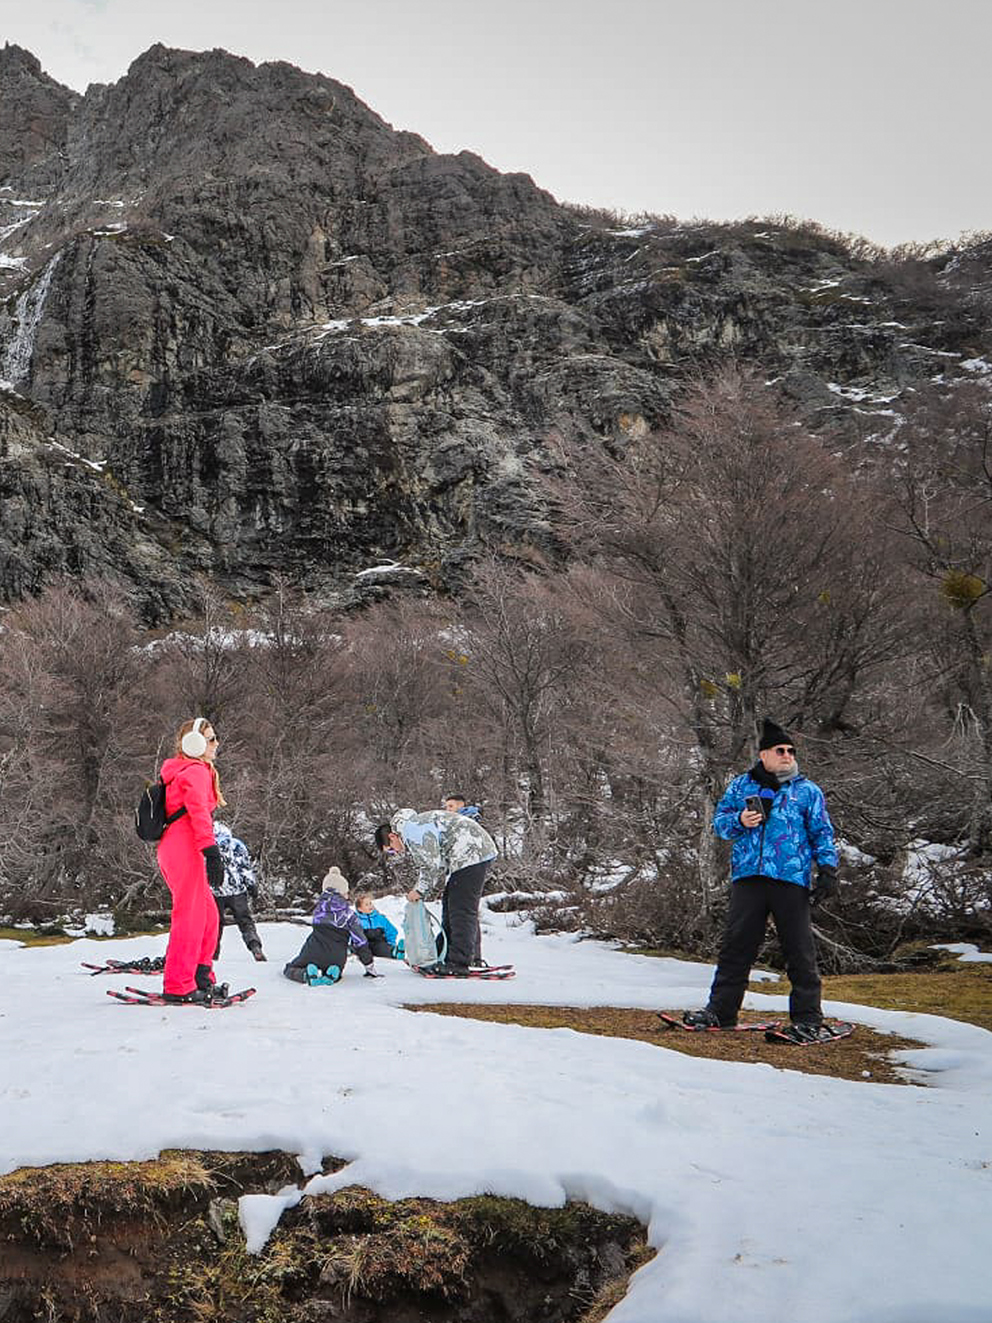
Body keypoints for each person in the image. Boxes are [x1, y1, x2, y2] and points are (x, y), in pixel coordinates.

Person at [684, 718, 839, 1043]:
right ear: (764, 754)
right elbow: (719, 825)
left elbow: (823, 832)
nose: (787, 756)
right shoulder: (741, 786)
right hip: (748, 877)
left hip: (790, 878)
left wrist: (827, 870)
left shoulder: (807, 791)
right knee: (736, 948)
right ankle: (721, 1011)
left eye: (791, 751)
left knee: (799, 951)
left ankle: (808, 1018)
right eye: (780, 750)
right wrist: (740, 819)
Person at [374, 809, 497, 976]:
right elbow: (436, 860)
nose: (395, 853)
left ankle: (459, 962)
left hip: (472, 854)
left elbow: (429, 866)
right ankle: (445, 953)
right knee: (450, 906)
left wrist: (419, 891)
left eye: (390, 850)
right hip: (468, 856)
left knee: (460, 910)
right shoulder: (414, 826)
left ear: (392, 837)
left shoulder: (411, 830)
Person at [157, 717, 227, 1004]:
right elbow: (198, 814)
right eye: (211, 739)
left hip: (183, 846)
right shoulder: (195, 772)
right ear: (195, 744)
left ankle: (200, 973)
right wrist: (211, 851)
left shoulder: (189, 769)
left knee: (209, 915)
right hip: (185, 847)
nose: (216, 744)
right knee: (190, 916)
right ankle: (178, 984)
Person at [283, 866, 379, 984]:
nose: (348, 896)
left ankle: (305, 974)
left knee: (289, 969)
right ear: (342, 893)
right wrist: (369, 966)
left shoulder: (318, 910)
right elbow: (360, 942)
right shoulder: (349, 915)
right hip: (336, 957)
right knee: (334, 965)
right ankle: (333, 973)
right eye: (346, 893)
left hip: (312, 951)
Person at [211, 822, 266, 962]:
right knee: (245, 921)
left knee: (215, 925)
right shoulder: (236, 844)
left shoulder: (208, 847)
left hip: (215, 891)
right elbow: (245, 868)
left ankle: (212, 955)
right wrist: (251, 885)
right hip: (237, 890)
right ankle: (255, 947)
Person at [354, 892, 401, 959]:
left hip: (378, 943)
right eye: (366, 904)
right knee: (361, 950)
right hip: (363, 945)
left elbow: (391, 931)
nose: (370, 906)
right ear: (360, 909)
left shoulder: (380, 918)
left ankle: (394, 952)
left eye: (370, 903)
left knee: (382, 948)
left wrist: (391, 943)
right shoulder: (355, 920)